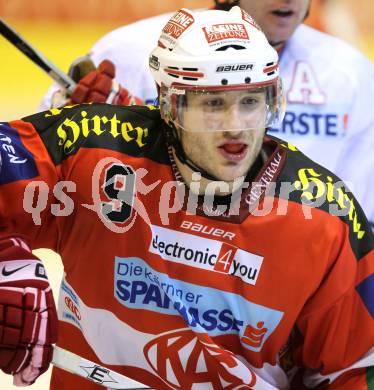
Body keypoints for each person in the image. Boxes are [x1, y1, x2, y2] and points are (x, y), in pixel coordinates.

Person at [2, 6, 373, 389]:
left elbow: (355, 368)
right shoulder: (95, 155)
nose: (236, 127)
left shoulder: (326, 215)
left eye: (250, 102)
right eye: (212, 104)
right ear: (169, 105)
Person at [39, 0, 374, 231]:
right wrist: (80, 129)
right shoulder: (129, 52)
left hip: (279, 289)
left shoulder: (352, 74)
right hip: (144, 275)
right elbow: (51, 184)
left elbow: (360, 219)